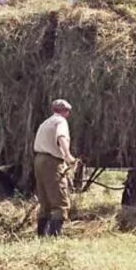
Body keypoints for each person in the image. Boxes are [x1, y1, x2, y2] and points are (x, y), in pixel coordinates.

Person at [32, 99, 77, 237]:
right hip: (52, 162)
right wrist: (68, 156)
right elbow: (62, 137)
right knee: (60, 203)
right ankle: (53, 238)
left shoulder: (45, 123)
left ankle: (41, 236)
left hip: (39, 160)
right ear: (66, 112)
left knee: (45, 202)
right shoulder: (61, 122)